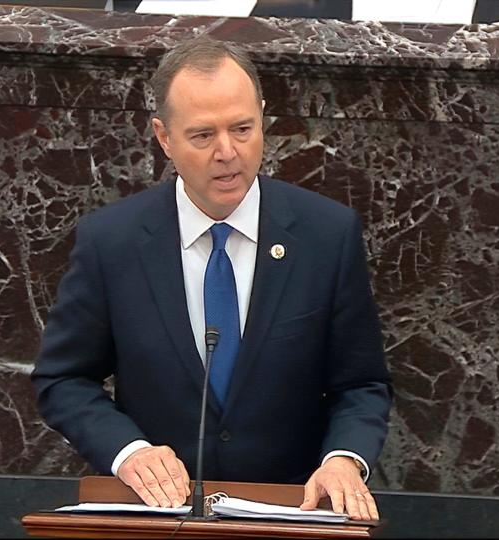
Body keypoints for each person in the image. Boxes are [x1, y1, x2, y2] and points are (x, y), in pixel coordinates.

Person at [31, 36, 392, 521]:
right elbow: (64, 378)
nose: (228, 152)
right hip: (159, 518)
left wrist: (344, 460)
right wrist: (129, 452)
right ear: (163, 136)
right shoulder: (111, 241)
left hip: (290, 514)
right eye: (203, 135)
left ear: (263, 117)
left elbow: (361, 383)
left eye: (243, 128)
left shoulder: (327, 234)